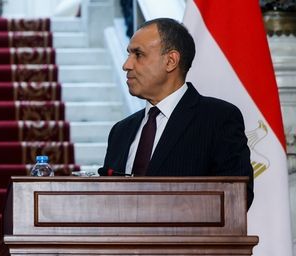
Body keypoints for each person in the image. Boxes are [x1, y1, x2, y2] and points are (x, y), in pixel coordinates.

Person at [101, 18, 253, 207]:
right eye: (129, 54)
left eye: (138, 54)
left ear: (171, 61)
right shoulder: (121, 131)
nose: (126, 65)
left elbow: (236, 199)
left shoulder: (218, 119)